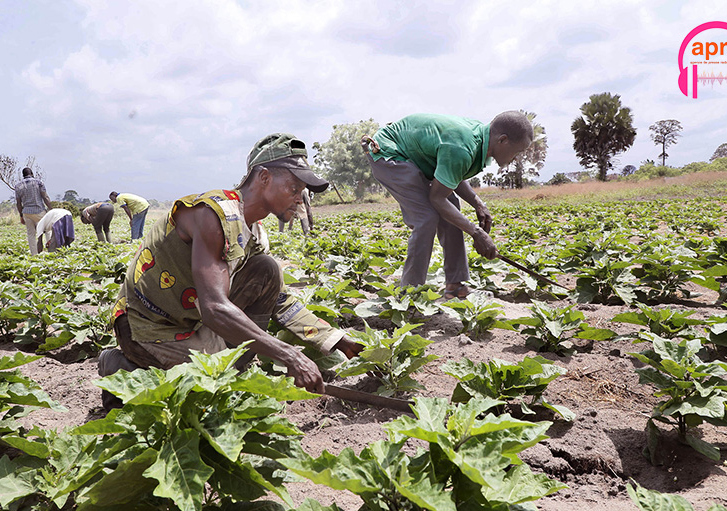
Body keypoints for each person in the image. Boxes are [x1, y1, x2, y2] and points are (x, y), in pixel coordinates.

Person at [99, 132, 363, 405]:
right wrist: (289, 355)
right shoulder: (213, 215)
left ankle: (232, 367)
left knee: (266, 269)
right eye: (294, 188)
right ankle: (121, 367)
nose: (299, 199)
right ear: (264, 178)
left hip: (189, 319)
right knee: (204, 395)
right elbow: (214, 310)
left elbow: (280, 300)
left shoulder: (253, 231)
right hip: (147, 327)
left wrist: (336, 340)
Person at [363, 112, 533, 299]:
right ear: (503, 140)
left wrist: (478, 204)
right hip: (390, 153)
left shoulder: (479, 138)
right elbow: (437, 197)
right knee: (425, 218)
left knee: (451, 207)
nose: (516, 158)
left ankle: (455, 286)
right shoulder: (463, 146)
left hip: (412, 157)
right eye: (517, 151)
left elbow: (453, 172)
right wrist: (477, 234)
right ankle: (409, 296)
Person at [14, 168, 52, 256]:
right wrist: (51, 209)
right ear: (32, 173)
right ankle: (51, 251)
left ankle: (34, 255)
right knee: (48, 229)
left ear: (23, 175)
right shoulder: (39, 183)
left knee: (31, 234)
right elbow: (45, 198)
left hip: (26, 212)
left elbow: (18, 203)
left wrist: (21, 215)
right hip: (39, 211)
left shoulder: (18, 186)